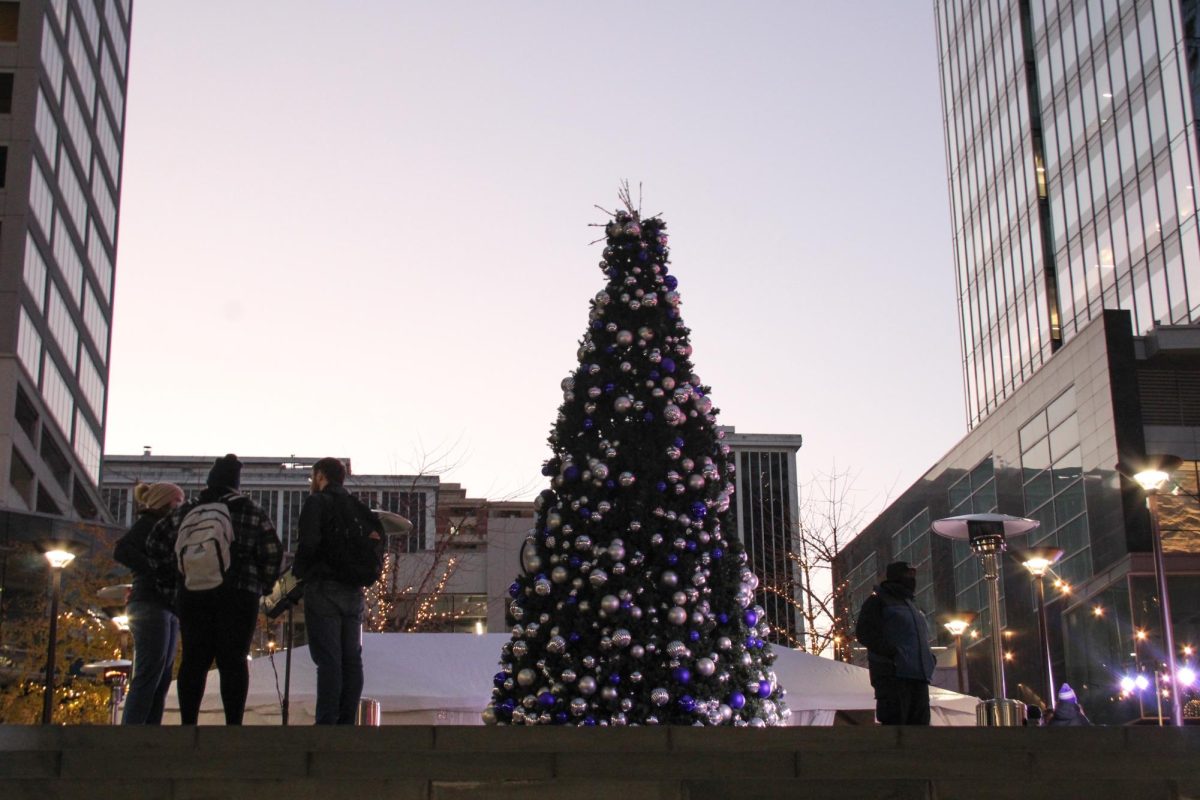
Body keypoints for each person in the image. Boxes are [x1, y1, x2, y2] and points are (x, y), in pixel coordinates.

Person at [147, 454, 282, 724]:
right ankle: (232, 725)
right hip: (239, 594)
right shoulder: (249, 509)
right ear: (236, 483)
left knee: (194, 661)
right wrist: (262, 586)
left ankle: (188, 724)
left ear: (209, 481)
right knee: (233, 660)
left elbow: (154, 543)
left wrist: (173, 584)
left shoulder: (186, 510)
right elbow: (272, 550)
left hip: (193, 592)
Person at [293, 457, 383, 725]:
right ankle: (346, 722)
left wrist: (300, 571)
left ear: (321, 476)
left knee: (329, 659)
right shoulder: (358, 508)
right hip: (353, 590)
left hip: (323, 587)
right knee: (351, 659)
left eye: (313, 477)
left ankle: (327, 722)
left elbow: (308, 543)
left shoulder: (317, 502)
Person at [113, 481, 185, 724]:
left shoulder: (163, 526)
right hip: (150, 603)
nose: (180, 506)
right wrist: (154, 570)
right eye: (177, 500)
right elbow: (122, 551)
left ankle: (148, 728)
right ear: (164, 501)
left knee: (162, 674)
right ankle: (134, 731)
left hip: (165, 605)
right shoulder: (149, 524)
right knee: (150, 671)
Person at [855, 561, 937, 725]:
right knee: (896, 726)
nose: (912, 579)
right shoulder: (878, 601)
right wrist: (892, 654)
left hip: (918, 675)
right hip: (893, 676)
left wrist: (928, 659)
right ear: (896, 576)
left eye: (913, 575)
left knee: (920, 728)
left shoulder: (911, 605)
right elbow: (865, 633)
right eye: (908, 574)